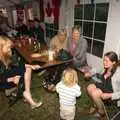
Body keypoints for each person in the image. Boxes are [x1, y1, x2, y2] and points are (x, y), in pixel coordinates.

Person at [0, 36, 42, 109]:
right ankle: (14, 90)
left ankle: (27, 93)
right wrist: (12, 79)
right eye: (7, 48)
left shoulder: (7, 54)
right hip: (4, 81)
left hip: (8, 74)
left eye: (10, 47)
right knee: (25, 74)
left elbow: (17, 63)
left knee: (28, 69)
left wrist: (31, 66)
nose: (10, 49)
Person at [86, 51, 120, 118]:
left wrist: (110, 95)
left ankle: (101, 112)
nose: (104, 62)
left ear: (113, 62)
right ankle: (96, 104)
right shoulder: (106, 67)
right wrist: (90, 73)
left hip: (112, 93)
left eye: (107, 61)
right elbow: (97, 69)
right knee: (89, 87)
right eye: (104, 60)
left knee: (95, 93)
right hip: (104, 85)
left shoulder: (118, 73)